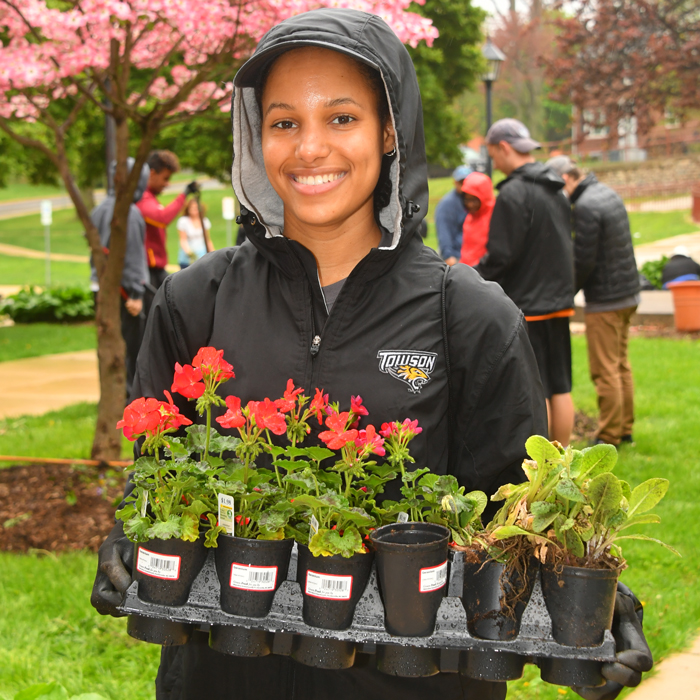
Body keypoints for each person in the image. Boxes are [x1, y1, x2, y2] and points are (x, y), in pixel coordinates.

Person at [91, 10, 651, 700]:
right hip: (221, 676)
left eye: (342, 118)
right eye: (285, 122)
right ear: (256, 135)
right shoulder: (195, 300)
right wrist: (126, 534)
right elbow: (154, 475)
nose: (309, 148)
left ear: (390, 132)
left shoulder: (468, 315)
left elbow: (518, 517)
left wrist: (591, 602)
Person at [476, 119, 575, 446]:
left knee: (539, 387)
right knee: (561, 386)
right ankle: (563, 465)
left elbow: (502, 256)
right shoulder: (556, 189)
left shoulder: (514, 193)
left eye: (493, 155)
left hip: (530, 305)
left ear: (503, 148)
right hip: (560, 303)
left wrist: (472, 278)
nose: (495, 163)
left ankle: (543, 469)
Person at [546, 155, 640, 447]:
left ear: (566, 179)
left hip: (607, 299)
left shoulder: (586, 206)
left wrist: (565, 294)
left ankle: (609, 435)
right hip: (628, 294)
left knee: (605, 369)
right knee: (621, 364)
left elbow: (583, 260)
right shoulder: (606, 192)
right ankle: (625, 429)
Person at [89, 158, 150, 399]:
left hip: (101, 288)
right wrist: (136, 293)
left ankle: (112, 395)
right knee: (129, 347)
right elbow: (132, 255)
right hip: (124, 292)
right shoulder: (129, 213)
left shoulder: (100, 208)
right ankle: (128, 398)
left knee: (109, 345)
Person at [136, 150, 200, 298]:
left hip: (157, 269)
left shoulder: (150, 197)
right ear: (152, 173)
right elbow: (162, 218)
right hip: (148, 271)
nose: (167, 184)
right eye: (165, 178)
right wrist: (184, 194)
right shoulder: (142, 198)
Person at [435, 164, 471, 265]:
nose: (464, 185)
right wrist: (449, 256)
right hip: (456, 257)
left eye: (467, 182)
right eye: (461, 182)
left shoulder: (473, 200)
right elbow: (444, 231)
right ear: (455, 182)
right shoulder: (447, 204)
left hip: (471, 256)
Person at [459, 171, 495, 266]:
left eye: (474, 200)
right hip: (469, 273)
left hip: (485, 274)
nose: (470, 204)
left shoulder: (495, 217)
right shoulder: (470, 217)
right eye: (467, 199)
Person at [177, 199, 214, 269]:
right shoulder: (183, 221)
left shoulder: (204, 221)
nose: (194, 210)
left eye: (196, 208)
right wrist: (191, 254)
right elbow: (183, 240)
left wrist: (213, 253)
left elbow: (208, 240)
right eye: (192, 207)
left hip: (202, 255)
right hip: (188, 258)